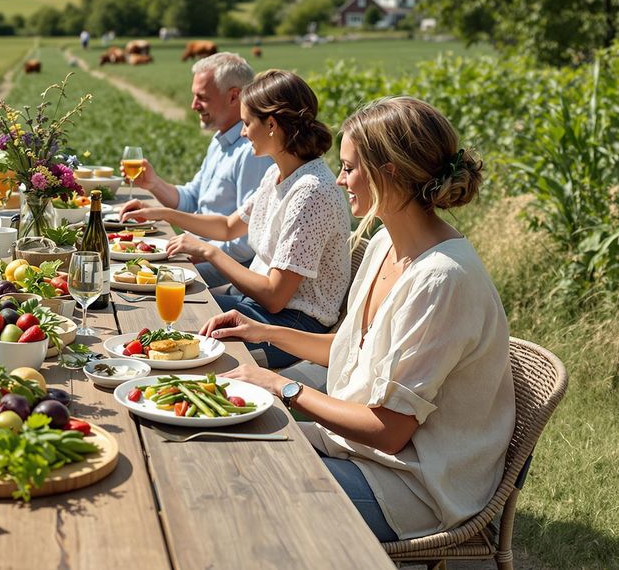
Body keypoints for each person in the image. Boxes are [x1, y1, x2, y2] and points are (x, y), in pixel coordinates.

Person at [201, 96, 514, 543]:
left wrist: (281, 387)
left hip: (415, 484)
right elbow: (352, 350)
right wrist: (264, 332)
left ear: (390, 172)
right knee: (222, 441)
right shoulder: (386, 241)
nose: (339, 179)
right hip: (364, 455)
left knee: (244, 487)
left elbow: (388, 432)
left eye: (349, 168)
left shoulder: (442, 280)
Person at [120, 69, 350, 367]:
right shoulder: (277, 174)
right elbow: (229, 227)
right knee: (162, 313)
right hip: (260, 311)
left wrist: (208, 251)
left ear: (271, 124)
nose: (242, 133)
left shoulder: (311, 192)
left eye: (246, 123)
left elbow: (275, 296)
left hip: (293, 327)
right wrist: (162, 213)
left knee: (179, 340)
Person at [126, 53, 272, 286]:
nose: (193, 105)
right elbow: (193, 199)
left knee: (148, 283)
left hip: (228, 269)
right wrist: (154, 184)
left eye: (202, 97)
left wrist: (197, 253)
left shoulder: (252, 153)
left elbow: (245, 243)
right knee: (135, 268)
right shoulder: (220, 139)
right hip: (201, 252)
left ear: (234, 96)